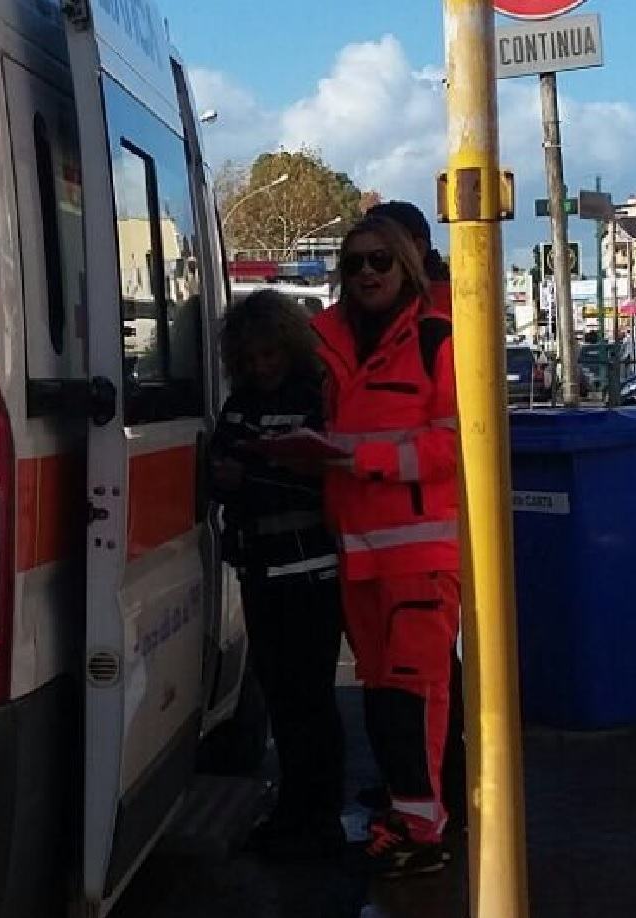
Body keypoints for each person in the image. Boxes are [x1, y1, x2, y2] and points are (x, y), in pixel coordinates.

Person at [310, 217, 461, 877]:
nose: (366, 274)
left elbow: (460, 444)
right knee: (380, 696)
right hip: (358, 555)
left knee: (413, 699)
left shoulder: (437, 343)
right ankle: (403, 819)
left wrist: (361, 459)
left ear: (404, 266)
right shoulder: (328, 346)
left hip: (420, 559)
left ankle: (423, 834)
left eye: (379, 261)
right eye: (353, 265)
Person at [210, 289, 347, 859]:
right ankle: (294, 809)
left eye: (270, 354)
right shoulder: (238, 405)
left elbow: (322, 474)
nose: (262, 366)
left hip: (311, 569)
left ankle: (323, 817)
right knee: (280, 700)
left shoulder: (316, 398)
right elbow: (218, 470)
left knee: (313, 697)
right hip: (259, 570)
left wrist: (253, 470)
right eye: (251, 357)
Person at [366, 200, 451, 316]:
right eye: (353, 261)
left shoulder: (454, 310)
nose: (366, 270)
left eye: (379, 256)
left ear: (418, 249)